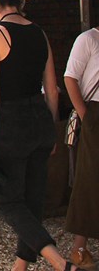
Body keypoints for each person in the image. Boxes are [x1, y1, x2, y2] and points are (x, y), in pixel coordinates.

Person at [0, 0, 76, 271]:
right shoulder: (39, 33)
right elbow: (52, 88)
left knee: (7, 198)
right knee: (32, 201)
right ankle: (20, 265)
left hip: (11, 122)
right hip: (40, 119)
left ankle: (59, 263)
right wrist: (52, 129)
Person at [63, 24, 99, 269]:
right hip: (94, 111)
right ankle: (79, 247)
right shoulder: (89, 39)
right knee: (90, 177)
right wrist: (86, 115)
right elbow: (70, 78)